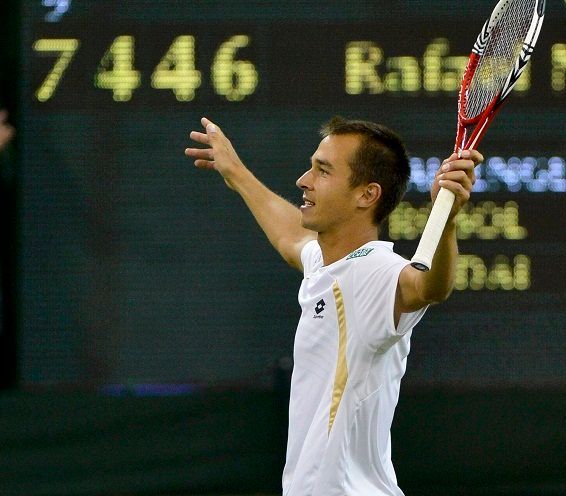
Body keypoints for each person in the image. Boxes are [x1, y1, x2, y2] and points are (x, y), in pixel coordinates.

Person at [185, 115, 482, 496]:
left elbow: (428, 286)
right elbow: (291, 235)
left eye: (322, 172)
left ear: (366, 194)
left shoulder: (377, 271)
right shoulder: (325, 264)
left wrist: (448, 223)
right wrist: (236, 173)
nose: (303, 181)